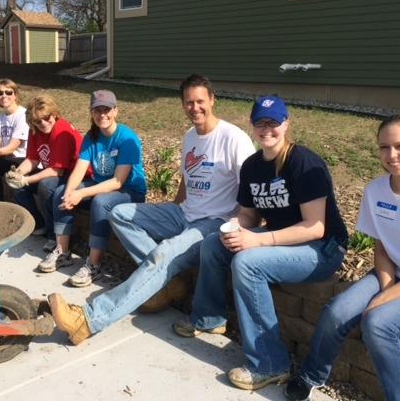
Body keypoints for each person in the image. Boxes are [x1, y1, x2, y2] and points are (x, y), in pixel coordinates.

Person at [47, 74, 255, 344]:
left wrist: (241, 224)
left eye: (200, 101)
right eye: (189, 102)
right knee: (119, 214)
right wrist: (173, 208)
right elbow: (187, 180)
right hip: (184, 213)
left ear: (212, 100)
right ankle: (167, 282)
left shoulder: (234, 139)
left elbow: (251, 190)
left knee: (162, 254)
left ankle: (88, 319)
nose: (195, 108)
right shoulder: (190, 137)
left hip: (214, 222)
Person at [172, 95, 348, 392]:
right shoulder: (252, 166)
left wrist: (258, 239)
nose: (266, 129)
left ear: (285, 124)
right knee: (214, 244)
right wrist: (234, 228)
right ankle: (208, 317)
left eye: (273, 122)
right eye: (260, 123)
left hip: (323, 248)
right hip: (284, 241)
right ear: (252, 125)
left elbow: (315, 227)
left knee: (247, 263)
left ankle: (270, 362)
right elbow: (249, 215)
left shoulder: (302, 162)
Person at [285, 114, 400, 401]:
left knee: (378, 324)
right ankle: (311, 375)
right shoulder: (375, 190)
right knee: (336, 312)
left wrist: (386, 299)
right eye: (384, 147)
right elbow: (383, 250)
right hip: (392, 272)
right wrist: (387, 289)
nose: (391, 155)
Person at [38, 90, 146, 288]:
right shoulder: (91, 137)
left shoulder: (126, 138)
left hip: (129, 191)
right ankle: (62, 252)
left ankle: (93, 265)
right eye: (97, 110)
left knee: (101, 201)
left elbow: (117, 182)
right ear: (91, 112)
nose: (102, 114)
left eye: (106, 109)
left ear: (116, 111)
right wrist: (70, 192)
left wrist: (81, 193)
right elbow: (79, 171)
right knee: (61, 191)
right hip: (101, 185)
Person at [5, 95, 85, 248]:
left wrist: (26, 180)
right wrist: (18, 173)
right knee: (17, 185)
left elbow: (57, 170)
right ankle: (38, 224)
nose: (43, 123)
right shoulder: (35, 130)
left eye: (46, 117)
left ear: (54, 114)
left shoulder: (60, 131)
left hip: (75, 176)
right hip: (56, 172)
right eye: (37, 120)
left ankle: (53, 236)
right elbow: (33, 159)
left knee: (46, 185)